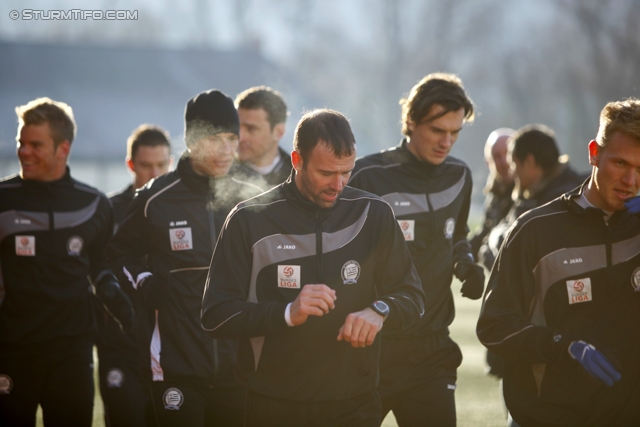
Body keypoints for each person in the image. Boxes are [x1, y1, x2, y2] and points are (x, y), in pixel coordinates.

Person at [201, 108, 426, 427]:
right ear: (297, 160)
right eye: (326, 173)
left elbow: (413, 297)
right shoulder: (248, 219)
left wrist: (379, 310)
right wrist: (286, 313)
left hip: (355, 401)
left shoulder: (373, 214)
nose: (338, 184)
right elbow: (215, 316)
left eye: (346, 172)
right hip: (274, 403)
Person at [477, 98, 640, 426]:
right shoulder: (535, 231)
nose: (631, 181)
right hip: (549, 416)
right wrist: (563, 347)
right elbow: (494, 327)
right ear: (594, 153)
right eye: (621, 163)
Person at [107, 90, 264, 427]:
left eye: (231, 139)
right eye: (214, 139)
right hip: (175, 364)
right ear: (192, 139)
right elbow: (118, 253)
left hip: (238, 369)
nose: (226, 150)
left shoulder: (251, 199)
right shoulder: (154, 198)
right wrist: (145, 283)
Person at [348, 72, 483, 426]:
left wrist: (466, 264)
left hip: (431, 352)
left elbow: (457, 237)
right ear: (410, 121)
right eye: (438, 131)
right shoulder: (366, 177)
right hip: (369, 349)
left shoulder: (460, 176)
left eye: (455, 133)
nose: (447, 142)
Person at [0, 97, 133, 426]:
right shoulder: (3, 200)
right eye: (21, 143)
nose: (24, 152)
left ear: (63, 148)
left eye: (36, 144)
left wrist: (128, 314)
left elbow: (100, 268)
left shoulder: (93, 204)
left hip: (71, 352)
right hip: (11, 350)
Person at [97, 124, 172, 427]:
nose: (154, 173)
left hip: (168, 344)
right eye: (145, 165)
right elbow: (96, 270)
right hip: (119, 344)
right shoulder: (108, 210)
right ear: (131, 165)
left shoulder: (180, 210)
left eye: (161, 165)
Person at [479, 124, 585, 269]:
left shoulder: (558, 203)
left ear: (529, 162)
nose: (513, 172)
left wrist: (496, 239)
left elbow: (516, 255)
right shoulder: (531, 196)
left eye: (513, 164)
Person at [469, 128, 515, 267]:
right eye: (497, 156)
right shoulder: (495, 193)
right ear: (488, 163)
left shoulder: (532, 193)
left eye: (508, 153)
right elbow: (484, 232)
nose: (504, 161)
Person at [235, 86, 291, 186]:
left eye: (251, 129)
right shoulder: (218, 168)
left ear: (278, 132)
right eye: (237, 126)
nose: (240, 137)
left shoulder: (299, 182)